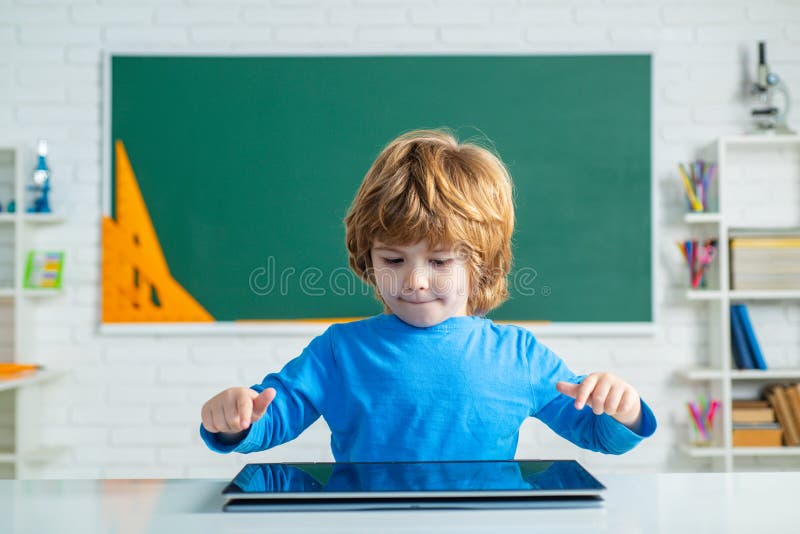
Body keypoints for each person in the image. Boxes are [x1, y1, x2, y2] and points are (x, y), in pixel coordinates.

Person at [200, 129, 656, 461]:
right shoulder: (339, 352)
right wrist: (234, 418)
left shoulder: (519, 356)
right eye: (394, 261)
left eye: (440, 262)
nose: (415, 280)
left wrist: (624, 409)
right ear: (368, 258)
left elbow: (597, 433)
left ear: (482, 265)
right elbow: (271, 418)